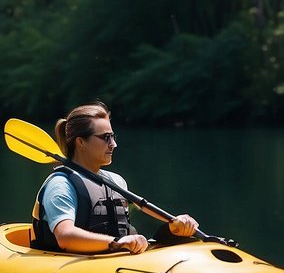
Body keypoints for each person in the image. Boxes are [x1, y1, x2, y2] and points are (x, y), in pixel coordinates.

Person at [31, 101, 198, 254]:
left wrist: (176, 225)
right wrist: (117, 242)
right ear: (81, 142)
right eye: (105, 138)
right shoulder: (61, 184)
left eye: (113, 136)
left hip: (115, 262)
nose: (113, 144)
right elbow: (65, 236)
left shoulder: (116, 181)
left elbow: (138, 211)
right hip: (72, 269)